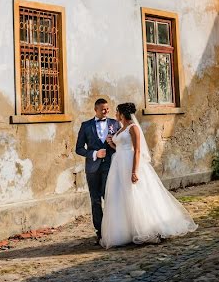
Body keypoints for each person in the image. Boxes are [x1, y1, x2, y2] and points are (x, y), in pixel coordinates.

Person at [100, 102, 197, 248]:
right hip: (118, 165)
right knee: (120, 196)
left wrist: (134, 171)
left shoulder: (133, 128)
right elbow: (120, 147)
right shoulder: (121, 129)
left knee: (135, 195)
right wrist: (112, 144)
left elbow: (137, 150)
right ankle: (126, 230)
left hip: (130, 164)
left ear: (122, 114)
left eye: (117, 112)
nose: (115, 114)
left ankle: (146, 227)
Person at [75, 98, 121, 243]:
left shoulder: (115, 123)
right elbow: (79, 148)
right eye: (103, 109)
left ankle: (112, 230)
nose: (106, 111)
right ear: (96, 110)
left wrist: (112, 143)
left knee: (109, 197)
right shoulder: (86, 126)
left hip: (110, 166)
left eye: (107, 109)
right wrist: (94, 154)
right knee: (95, 200)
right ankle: (100, 232)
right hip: (92, 168)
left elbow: (122, 143)